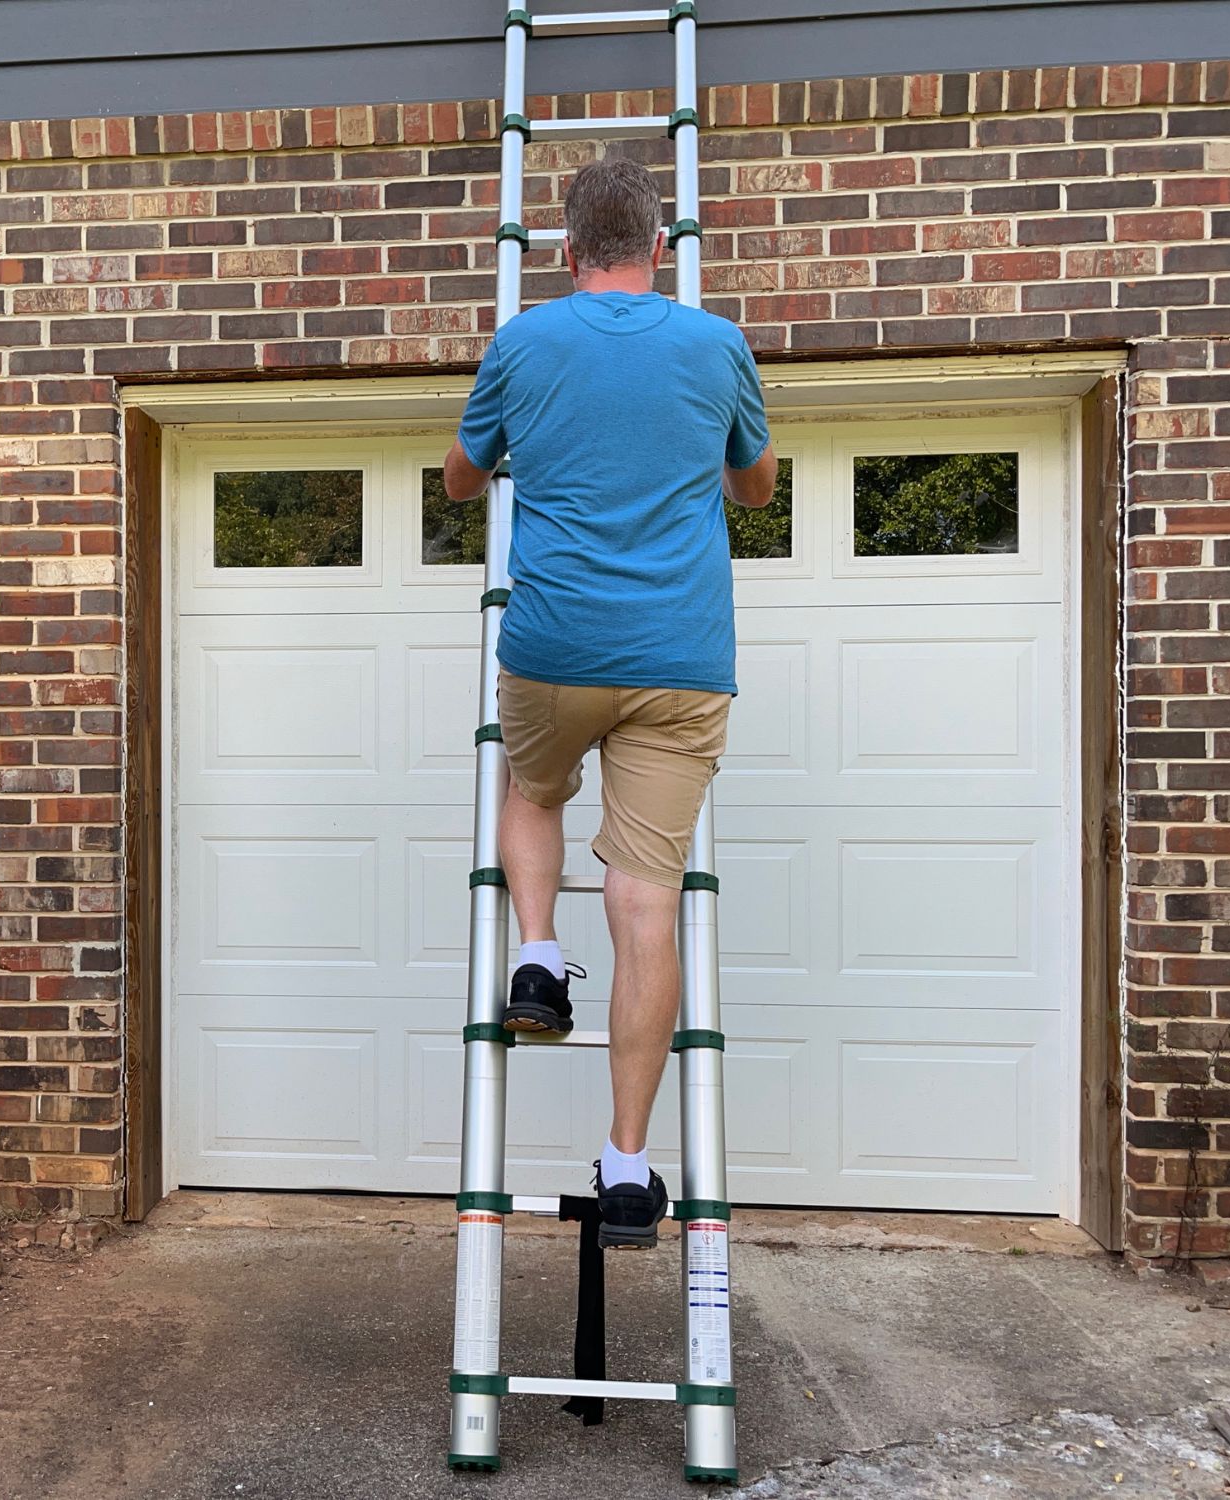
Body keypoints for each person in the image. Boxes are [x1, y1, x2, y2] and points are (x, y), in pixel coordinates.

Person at [441, 156, 779, 1251]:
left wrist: (514, 452)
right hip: (680, 660)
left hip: (555, 646)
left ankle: (534, 954)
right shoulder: (715, 343)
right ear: (660, 246)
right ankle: (629, 1166)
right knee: (645, 911)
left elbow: (458, 475)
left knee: (529, 787)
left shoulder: (524, 340)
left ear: (563, 248)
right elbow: (756, 484)